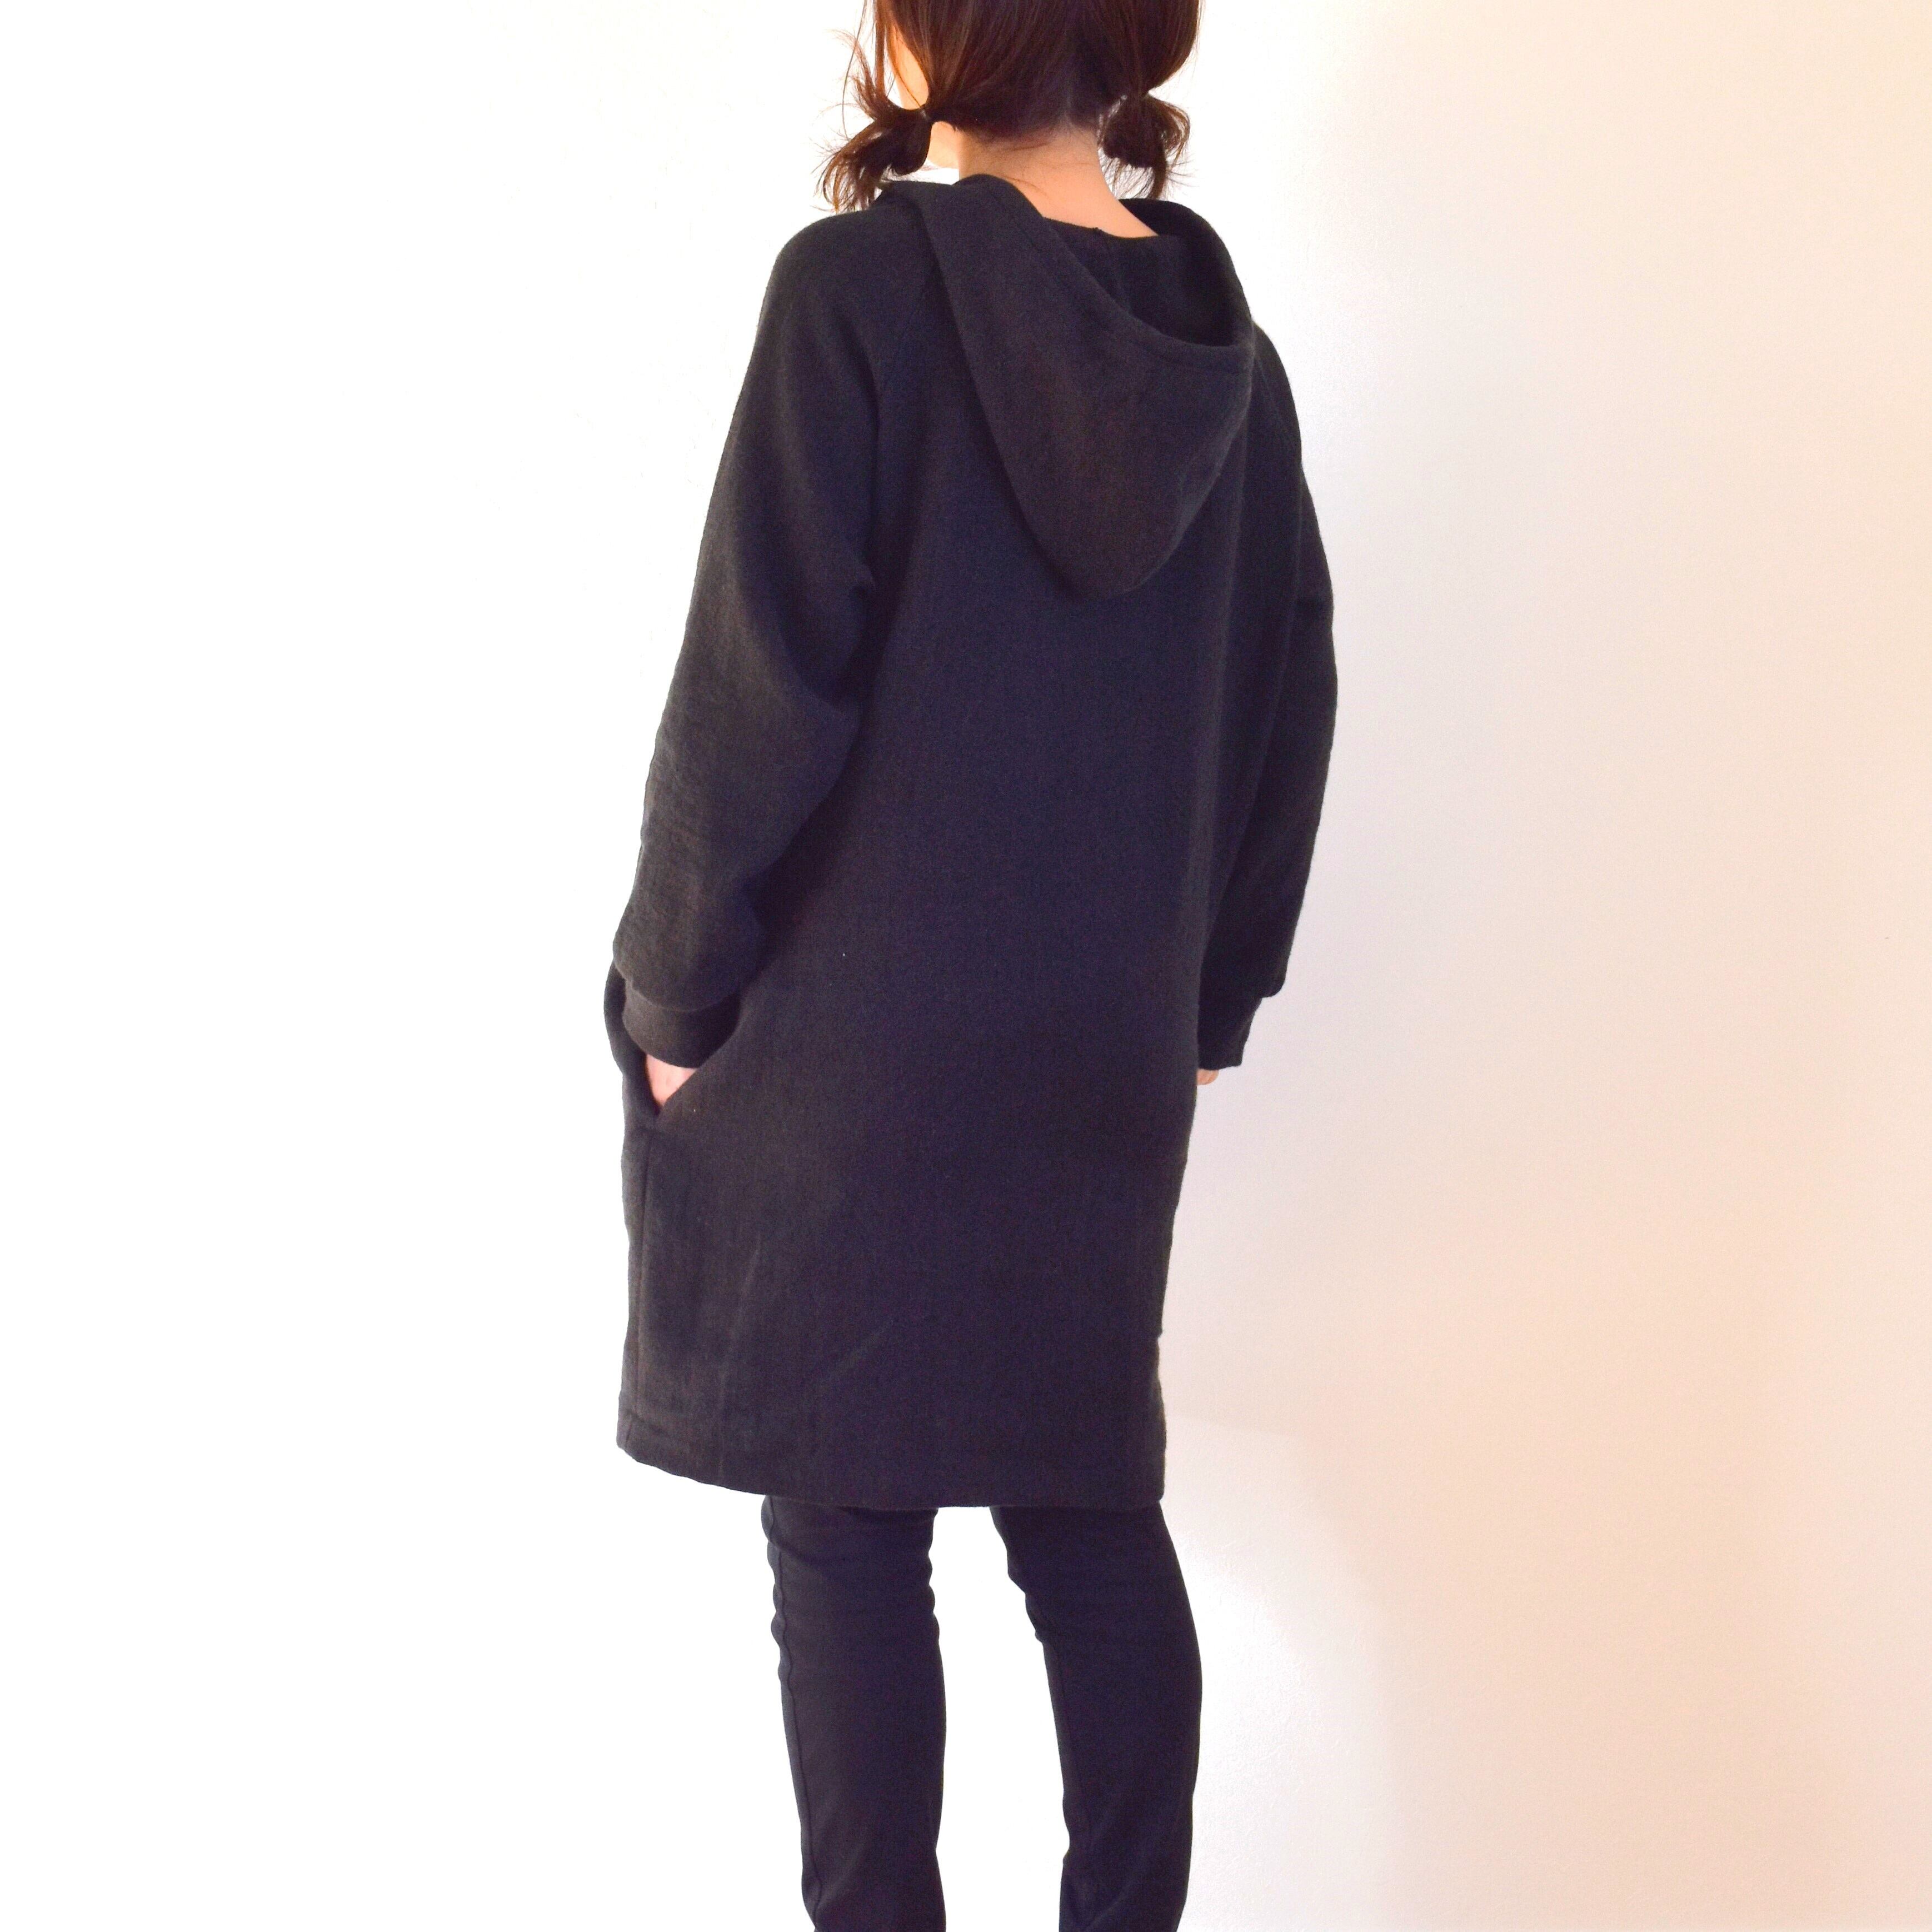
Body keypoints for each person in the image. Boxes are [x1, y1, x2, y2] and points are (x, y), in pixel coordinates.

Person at [602, 1, 1337, 1923]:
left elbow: (757, 682)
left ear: (934, 34)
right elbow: (1290, 709)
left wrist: (673, 995)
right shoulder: (1233, 367)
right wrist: (1206, 1005)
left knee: (847, 1525)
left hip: (850, 1050)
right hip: (1098, 1049)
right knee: (1082, 1507)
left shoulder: (857, 294)